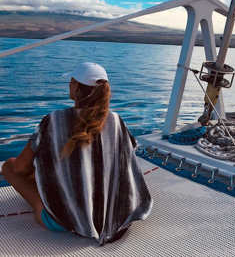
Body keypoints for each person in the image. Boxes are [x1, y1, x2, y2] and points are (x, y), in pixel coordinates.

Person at [2, 62, 152, 245]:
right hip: (116, 214)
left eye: (72, 81)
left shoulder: (54, 120)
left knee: (9, 166)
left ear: (77, 87)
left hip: (64, 220)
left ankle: (44, 207)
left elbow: (19, 166)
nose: (69, 85)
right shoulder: (116, 120)